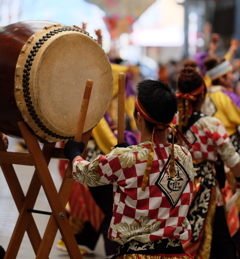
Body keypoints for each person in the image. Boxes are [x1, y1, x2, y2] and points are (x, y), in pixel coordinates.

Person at [64, 79, 195, 259]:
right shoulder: (185, 156)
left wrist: (74, 154)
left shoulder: (127, 158)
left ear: (139, 118)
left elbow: (86, 174)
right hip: (176, 254)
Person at [174, 66, 240, 259]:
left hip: (176, 186)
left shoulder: (171, 122)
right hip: (206, 187)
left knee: (182, 234)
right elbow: (232, 158)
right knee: (220, 238)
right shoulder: (210, 124)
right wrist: (238, 178)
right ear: (202, 94)